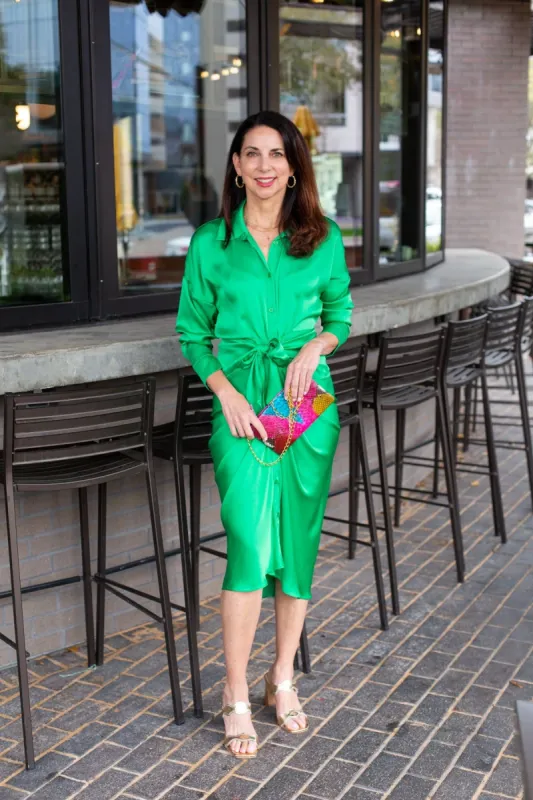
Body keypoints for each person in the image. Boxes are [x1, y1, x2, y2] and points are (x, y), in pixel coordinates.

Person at [176, 110, 353, 759]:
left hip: (304, 406)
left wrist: (318, 347)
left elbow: (341, 311)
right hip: (243, 407)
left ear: (293, 165)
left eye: (275, 154)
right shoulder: (210, 242)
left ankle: (280, 680)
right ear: (235, 166)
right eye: (250, 154)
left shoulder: (322, 237)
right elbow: (193, 333)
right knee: (249, 542)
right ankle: (234, 694)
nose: (263, 166)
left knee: (297, 548)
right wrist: (223, 394)